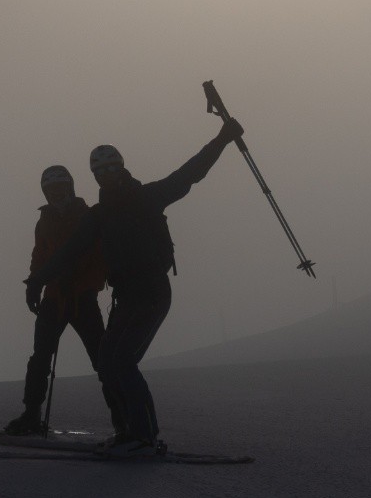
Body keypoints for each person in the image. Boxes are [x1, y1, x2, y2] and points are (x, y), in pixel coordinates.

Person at [25, 118, 243, 457]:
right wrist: (37, 280)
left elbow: (190, 173)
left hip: (152, 292)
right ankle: (130, 431)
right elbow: (68, 253)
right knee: (108, 361)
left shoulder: (147, 197)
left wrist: (222, 139)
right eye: (101, 172)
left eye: (113, 168)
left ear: (122, 168)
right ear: (95, 177)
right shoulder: (98, 216)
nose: (108, 175)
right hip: (126, 296)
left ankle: (142, 436)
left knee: (121, 362)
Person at [2, 165, 121, 437]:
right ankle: (32, 414)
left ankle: (122, 419)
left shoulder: (88, 216)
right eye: (52, 190)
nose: (57, 194)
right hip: (54, 298)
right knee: (40, 358)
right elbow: (39, 257)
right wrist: (34, 285)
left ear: (71, 188)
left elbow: (99, 257)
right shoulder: (44, 222)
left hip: (82, 300)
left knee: (102, 361)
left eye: (61, 188)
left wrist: (78, 278)